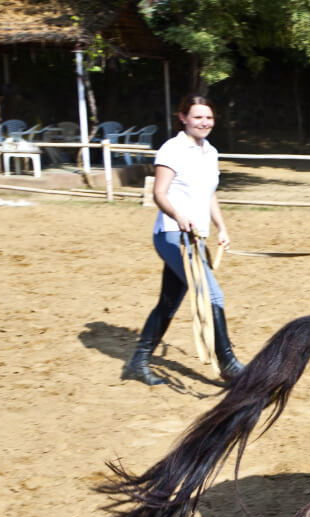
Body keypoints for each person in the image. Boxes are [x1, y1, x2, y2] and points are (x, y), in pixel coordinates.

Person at [122, 94, 246, 385]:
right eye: (198, 117)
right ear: (183, 118)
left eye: (209, 117)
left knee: (169, 302)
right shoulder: (173, 149)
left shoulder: (210, 152)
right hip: (172, 235)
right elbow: (159, 193)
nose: (204, 122)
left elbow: (209, 194)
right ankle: (228, 363)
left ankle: (138, 362)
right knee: (212, 294)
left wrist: (221, 227)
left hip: (196, 237)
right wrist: (178, 215)